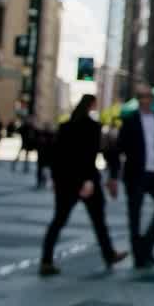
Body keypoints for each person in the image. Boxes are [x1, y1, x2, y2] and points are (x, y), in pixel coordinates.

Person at [40, 95, 129, 276]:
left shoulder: (65, 127)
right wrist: (88, 180)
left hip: (66, 182)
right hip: (86, 181)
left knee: (58, 221)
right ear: (91, 106)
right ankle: (109, 254)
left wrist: (55, 180)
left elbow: (56, 157)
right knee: (99, 222)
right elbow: (89, 156)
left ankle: (46, 260)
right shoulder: (92, 128)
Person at [109, 90, 154, 269]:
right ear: (138, 101)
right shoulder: (129, 122)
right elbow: (117, 150)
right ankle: (139, 255)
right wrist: (113, 176)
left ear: (152, 100)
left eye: (148, 98)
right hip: (135, 174)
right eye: (142, 98)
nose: (145, 101)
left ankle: (146, 246)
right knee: (134, 216)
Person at [34, 123, 56, 189]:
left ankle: (43, 182)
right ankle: (40, 182)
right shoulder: (42, 134)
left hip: (48, 155)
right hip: (43, 155)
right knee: (41, 169)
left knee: (48, 169)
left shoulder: (52, 135)